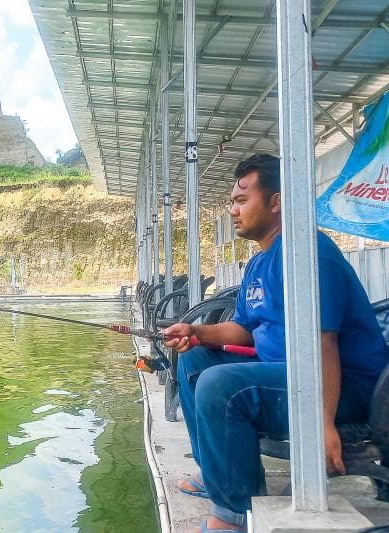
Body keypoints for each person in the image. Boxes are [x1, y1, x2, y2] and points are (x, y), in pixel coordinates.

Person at [163, 153, 389, 533]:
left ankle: (233, 515)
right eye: (232, 202)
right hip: (288, 378)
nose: (233, 211)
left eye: (241, 200)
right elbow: (243, 329)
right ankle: (219, 475)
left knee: (221, 386)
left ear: (275, 201)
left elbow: (323, 343)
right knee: (195, 361)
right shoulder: (259, 262)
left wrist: (322, 424)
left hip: (341, 387)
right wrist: (195, 332)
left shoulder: (306, 252)